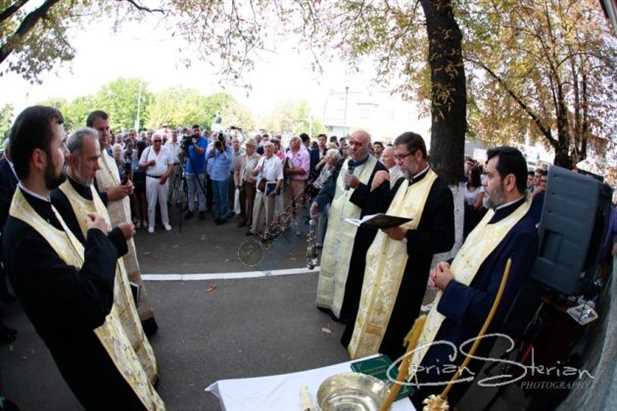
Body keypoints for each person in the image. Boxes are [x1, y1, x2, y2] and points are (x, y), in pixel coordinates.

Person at [3, 106, 165, 410]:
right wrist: (99, 236)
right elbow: (90, 304)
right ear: (39, 158)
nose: (67, 154)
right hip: (95, 366)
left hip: (104, 346)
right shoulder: (24, 240)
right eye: (61, 145)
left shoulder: (41, 202)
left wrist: (111, 239)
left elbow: (76, 261)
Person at [407, 146, 538, 408]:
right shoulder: (494, 210)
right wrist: (447, 266)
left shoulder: (523, 235)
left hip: (461, 340)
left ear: (509, 182)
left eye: (489, 176)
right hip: (445, 322)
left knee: (428, 400)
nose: (482, 182)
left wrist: (449, 286)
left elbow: (494, 308)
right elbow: (472, 256)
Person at [50, 127, 159, 386]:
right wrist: (118, 237)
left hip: (114, 275)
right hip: (98, 289)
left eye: (99, 158)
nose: (98, 167)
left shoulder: (87, 183)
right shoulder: (60, 198)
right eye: (92, 159)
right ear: (72, 158)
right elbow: (78, 254)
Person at [346, 132, 455, 361]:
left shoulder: (439, 190)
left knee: (392, 337)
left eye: (401, 157)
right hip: (381, 265)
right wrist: (373, 189)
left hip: (407, 276)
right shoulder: (402, 182)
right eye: (395, 157)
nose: (398, 162)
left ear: (418, 155)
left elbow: (445, 239)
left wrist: (406, 235)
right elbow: (384, 210)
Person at [89, 110, 158, 336]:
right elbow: (84, 201)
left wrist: (126, 188)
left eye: (107, 128)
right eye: (100, 129)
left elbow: (115, 188)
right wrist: (109, 195)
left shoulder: (109, 156)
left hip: (124, 228)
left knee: (132, 276)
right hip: (108, 234)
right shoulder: (87, 162)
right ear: (90, 131)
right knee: (117, 282)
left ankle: (142, 320)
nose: (106, 133)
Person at [313, 130, 389, 321]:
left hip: (357, 233)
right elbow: (331, 185)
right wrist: (319, 201)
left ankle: (344, 311)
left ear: (368, 146)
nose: (353, 147)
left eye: (359, 144)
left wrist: (358, 187)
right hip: (336, 224)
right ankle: (327, 302)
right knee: (331, 262)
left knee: (350, 273)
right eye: (351, 142)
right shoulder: (344, 162)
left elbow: (379, 206)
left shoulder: (379, 170)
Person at [139, 133, 174, 233]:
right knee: (151, 203)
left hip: (163, 179)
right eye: (155, 141)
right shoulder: (147, 150)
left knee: (163, 202)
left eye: (159, 141)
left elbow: (171, 165)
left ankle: (165, 222)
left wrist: (166, 175)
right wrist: (148, 163)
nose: (158, 143)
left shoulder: (166, 150)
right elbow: (140, 165)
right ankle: (151, 225)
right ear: (152, 141)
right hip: (151, 179)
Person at [248, 141, 283, 239]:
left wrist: (275, 190)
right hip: (260, 187)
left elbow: (280, 177)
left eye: (269, 147)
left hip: (270, 187)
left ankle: (267, 232)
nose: (267, 149)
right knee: (256, 210)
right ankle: (254, 229)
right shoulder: (262, 159)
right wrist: (257, 169)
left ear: (273, 149)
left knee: (269, 212)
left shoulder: (277, 160)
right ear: (263, 149)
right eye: (266, 147)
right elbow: (254, 173)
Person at [207, 132, 234, 224]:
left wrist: (223, 151)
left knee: (223, 197)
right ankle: (217, 213)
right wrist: (214, 149)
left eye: (222, 140)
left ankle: (223, 214)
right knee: (216, 197)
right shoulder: (214, 147)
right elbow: (207, 157)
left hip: (223, 177)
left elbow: (230, 160)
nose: (221, 142)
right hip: (214, 176)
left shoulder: (229, 149)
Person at [235, 138, 261, 228]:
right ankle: (243, 218)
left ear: (254, 148)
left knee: (250, 202)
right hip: (242, 182)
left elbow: (260, 173)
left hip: (251, 183)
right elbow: (238, 170)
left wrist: (255, 180)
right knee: (241, 200)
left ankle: (250, 220)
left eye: (249, 146)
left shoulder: (258, 158)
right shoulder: (242, 156)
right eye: (246, 146)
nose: (247, 148)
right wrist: (237, 182)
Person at [184, 125, 208, 220]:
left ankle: (202, 210)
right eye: (195, 131)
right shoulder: (189, 140)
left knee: (200, 191)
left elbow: (201, 151)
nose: (197, 132)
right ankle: (191, 209)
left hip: (200, 170)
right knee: (190, 192)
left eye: (198, 130)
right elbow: (184, 154)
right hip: (189, 169)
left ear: (200, 131)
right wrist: (184, 146)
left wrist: (193, 144)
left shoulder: (204, 140)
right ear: (192, 132)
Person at [463, 165, 486, 238]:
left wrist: (465, 206)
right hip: (465, 215)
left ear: (475, 176)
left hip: (474, 216)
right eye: (468, 174)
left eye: (471, 175)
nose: (469, 177)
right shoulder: (465, 185)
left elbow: (477, 205)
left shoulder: (481, 188)